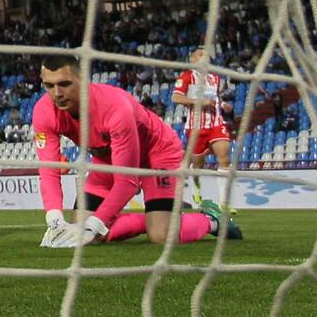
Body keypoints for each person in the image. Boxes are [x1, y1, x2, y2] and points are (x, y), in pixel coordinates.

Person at [33, 54, 240, 247]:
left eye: (64, 84)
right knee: (83, 231)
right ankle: (151, 219)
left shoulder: (114, 106)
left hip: (157, 154)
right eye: (49, 86)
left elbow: (127, 182)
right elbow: (49, 170)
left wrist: (95, 223)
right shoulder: (43, 111)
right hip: (108, 158)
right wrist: (55, 219)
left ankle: (211, 220)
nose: (57, 94)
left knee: (161, 236)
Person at [171, 47, 235, 211]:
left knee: (224, 157)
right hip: (196, 126)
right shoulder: (186, 77)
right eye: (200, 55)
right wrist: (198, 102)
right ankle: (196, 186)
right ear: (192, 59)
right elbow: (176, 97)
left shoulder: (216, 78)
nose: (204, 58)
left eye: (207, 55)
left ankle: (224, 203)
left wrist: (222, 105)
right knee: (198, 164)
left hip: (216, 122)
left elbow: (214, 98)